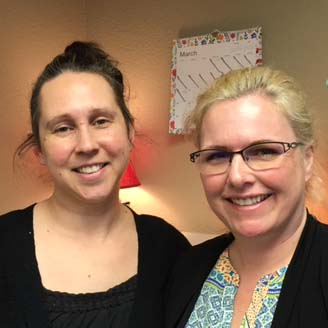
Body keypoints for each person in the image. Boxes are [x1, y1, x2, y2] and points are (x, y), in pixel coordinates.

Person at [0, 41, 190, 327]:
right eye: (63, 128)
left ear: (129, 132)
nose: (87, 145)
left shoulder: (169, 250)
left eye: (101, 121)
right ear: (39, 150)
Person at [165, 66, 328, 328]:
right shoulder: (185, 268)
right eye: (217, 156)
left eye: (264, 151)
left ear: (307, 159)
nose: (238, 177)